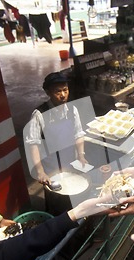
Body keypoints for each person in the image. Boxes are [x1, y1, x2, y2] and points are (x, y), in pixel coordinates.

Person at [25, 70, 88, 212]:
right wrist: (40, 171)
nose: (63, 95)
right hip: (50, 169)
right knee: (54, 201)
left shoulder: (72, 110)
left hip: (69, 163)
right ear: (48, 92)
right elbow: (33, 143)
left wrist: (81, 155)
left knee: (71, 198)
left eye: (65, 90)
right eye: (57, 91)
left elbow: (78, 134)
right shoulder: (39, 114)